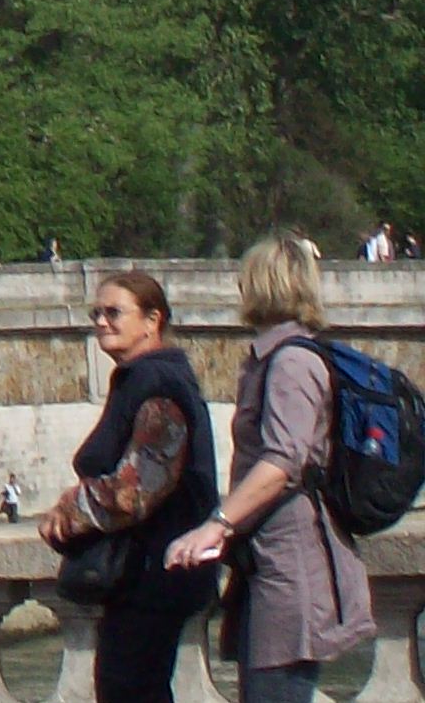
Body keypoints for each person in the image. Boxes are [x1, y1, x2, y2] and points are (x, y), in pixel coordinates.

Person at [166, 233, 377, 703]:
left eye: (246, 278)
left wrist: (218, 523)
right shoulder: (273, 359)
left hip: (290, 566)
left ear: (262, 284)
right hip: (268, 560)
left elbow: (283, 461)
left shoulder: (291, 363)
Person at [36, 270, 219, 703]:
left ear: (152, 320)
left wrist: (70, 511)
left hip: (151, 575)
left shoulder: (157, 384)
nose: (101, 321)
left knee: (129, 688)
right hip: (146, 575)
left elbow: (137, 489)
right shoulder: (147, 378)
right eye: (96, 313)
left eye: (114, 312)